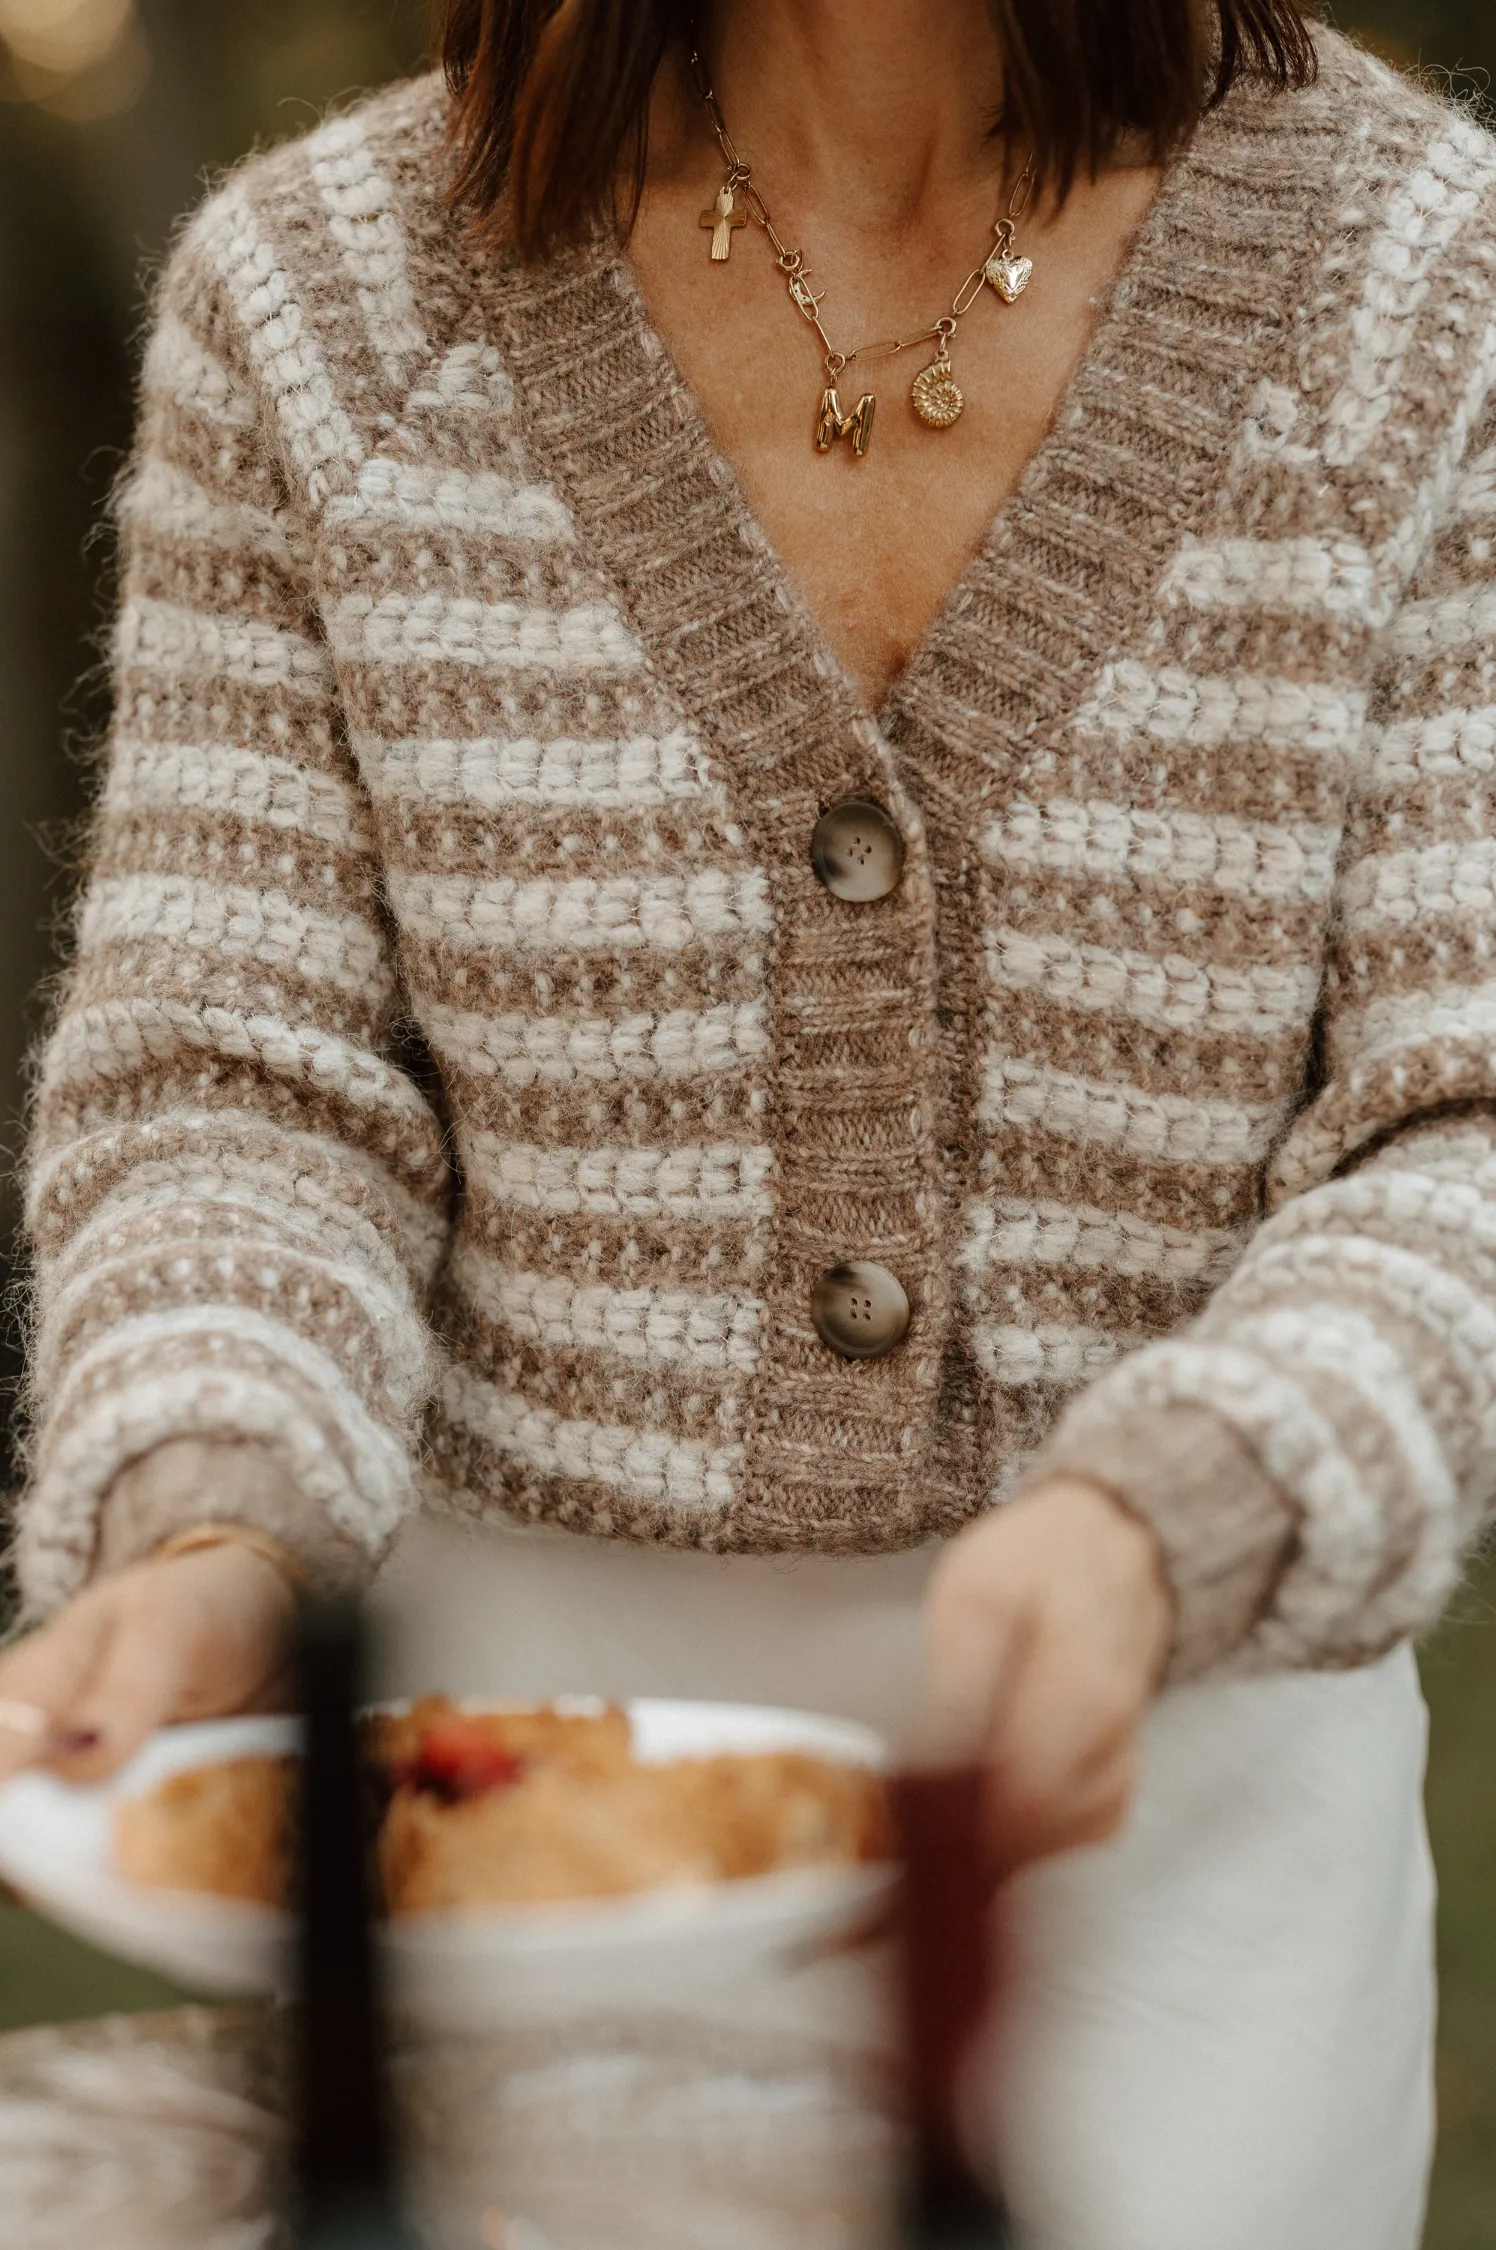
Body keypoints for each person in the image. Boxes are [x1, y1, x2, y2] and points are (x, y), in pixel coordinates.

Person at [1, 0, 1492, 2238]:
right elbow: (236, 1090)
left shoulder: (1422, 294)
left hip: (1156, 1855)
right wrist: (214, 1511)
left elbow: (1460, 1122)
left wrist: (1170, 1517)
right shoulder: (317, 304)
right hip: (490, 1836)